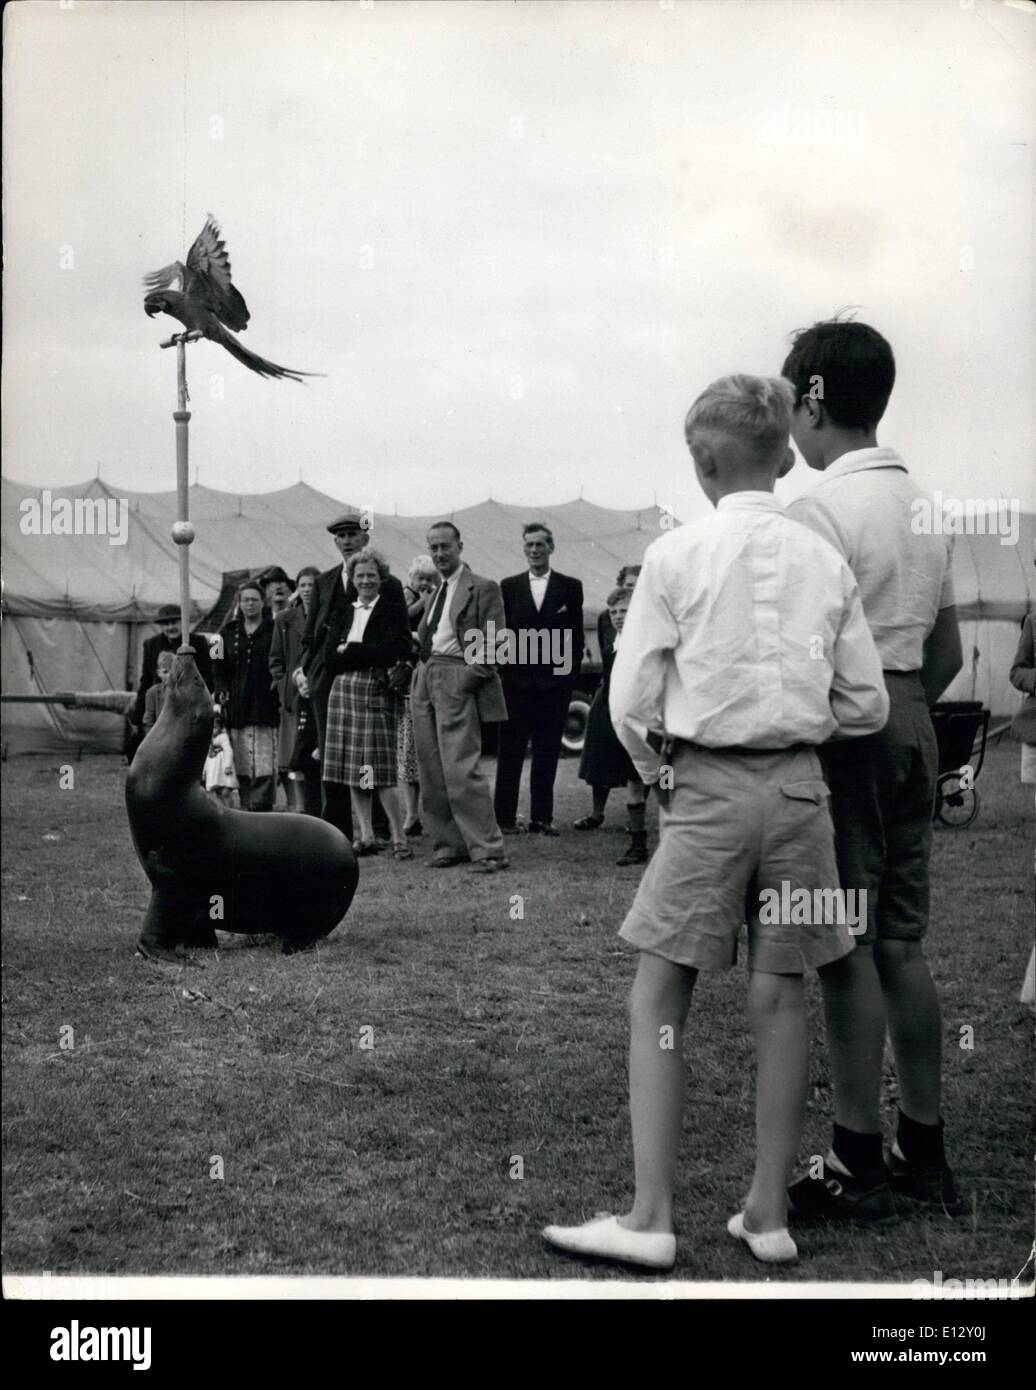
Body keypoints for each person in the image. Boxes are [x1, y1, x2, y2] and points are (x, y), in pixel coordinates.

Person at [542, 374, 888, 1271]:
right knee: (783, 996)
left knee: (658, 995)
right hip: (802, 800)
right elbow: (869, 705)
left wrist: (662, 769)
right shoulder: (825, 561)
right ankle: (768, 1213)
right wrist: (799, 732)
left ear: (701, 460)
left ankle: (651, 1215)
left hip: (706, 795)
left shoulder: (675, 556)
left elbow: (627, 700)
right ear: (782, 455)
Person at [779, 318, 966, 1222]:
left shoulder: (817, 509)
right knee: (902, 941)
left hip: (848, 733)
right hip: (915, 723)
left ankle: (856, 1156)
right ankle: (922, 1147)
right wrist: (904, 708)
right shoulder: (926, 505)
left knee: (841, 944)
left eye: (790, 404)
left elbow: (802, 656)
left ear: (814, 398)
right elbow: (948, 650)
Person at [300, 509, 407, 841]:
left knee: (371, 755)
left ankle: (376, 827)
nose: (347, 541)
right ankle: (336, 829)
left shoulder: (388, 584)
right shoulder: (323, 581)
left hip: (370, 679)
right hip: (326, 677)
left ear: (366, 539)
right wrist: (304, 669)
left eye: (353, 535)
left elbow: (398, 637)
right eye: (341, 536)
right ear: (335, 542)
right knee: (333, 753)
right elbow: (311, 633)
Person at [410, 521, 509, 872]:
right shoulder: (435, 591)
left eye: (445, 547)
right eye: (433, 547)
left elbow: (496, 642)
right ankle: (449, 844)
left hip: (456, 677)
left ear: (460, 546)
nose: (439, 554)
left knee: (460, 767)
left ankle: (488, 849)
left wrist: (467, 679)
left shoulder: (483, 587)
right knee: (431, 768)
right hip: (425, 678)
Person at [493, 523, 584, 837]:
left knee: (546, 752)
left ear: (551, 548)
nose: (534, 551)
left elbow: (573, 639)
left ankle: (541, 819)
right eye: (529, 545)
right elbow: (501, 637)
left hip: (553, 689)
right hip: (516, 686)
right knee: (510, 754)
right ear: (523, 548)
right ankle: (503, 818)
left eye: (540, 545)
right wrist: (508, 674)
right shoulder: (508, 586)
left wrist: (565, 680)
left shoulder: (570, 587)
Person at [322, 549, 412, 856]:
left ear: (381, 577)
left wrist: (352, 648)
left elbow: (390, 652)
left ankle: (400, 839)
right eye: (360, 575)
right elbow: (328, 660)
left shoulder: (392, 609)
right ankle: (367, 836)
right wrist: (359, 651)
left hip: (375, 687)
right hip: (343, 692)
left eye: (371, 575)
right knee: (354, 769)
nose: (365, 581)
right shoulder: (343, 611)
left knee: (381, 770)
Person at [575, 587, 653, 864]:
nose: (619, 617)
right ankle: (638, 845)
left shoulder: (647, 643)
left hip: (648, 723)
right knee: (631, 780)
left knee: (665, 781)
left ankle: (673, 843)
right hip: (621, 719)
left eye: (625, 611)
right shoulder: (613, 645)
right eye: (615, 612)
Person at [213, 580, 280, 811]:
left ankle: (262, 809)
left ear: (264, 602)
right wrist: (221, 689)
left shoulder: (276, 629)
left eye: (254, 599)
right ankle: (242, 809)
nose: (250, 604)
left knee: (264, 764)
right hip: (237, 705)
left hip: (267, 705)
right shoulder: (224, 633)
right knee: (239, 760)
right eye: (245, 600)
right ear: (239, 604)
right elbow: (216, 664)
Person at [269, 565, 321, 814]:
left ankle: (318, 807)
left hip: (319, 693)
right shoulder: (285, 620)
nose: (308, 590)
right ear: (297, 590)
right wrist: (283, 686)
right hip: (293, 697)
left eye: (312, 585)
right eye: (303, 585)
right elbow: (275, 659)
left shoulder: (325, 616)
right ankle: (299, 807)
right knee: (295, 755)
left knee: (318, 753)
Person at [131, 603, 213, 747]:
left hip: (188, 707)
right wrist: (137, 715)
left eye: (174, 622)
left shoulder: (197, 643)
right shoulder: (151, 645)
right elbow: (146, 680)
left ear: (182, 623)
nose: (170, 627)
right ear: (161, 626)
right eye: (165, 624)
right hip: (160, 707)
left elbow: (207, 677)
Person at [399, 555, 438, 836]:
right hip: (406, 680)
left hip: (429, 678)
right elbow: (405, 618)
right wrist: (424, 603)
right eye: (420, 578)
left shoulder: (437, 598)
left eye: (429, 578)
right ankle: (411, 813)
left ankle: (424, 814)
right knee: (408, 754)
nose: (424, 583)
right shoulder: (405, 596)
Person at [203, 708, 239, 806]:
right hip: (214, 771)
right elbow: (207, 757)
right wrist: (204, 771)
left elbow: (228, 751)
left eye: (215, 727)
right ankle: (222, 811)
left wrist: (228, 766)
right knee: (216, 793)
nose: (212, 731)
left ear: (221, 727)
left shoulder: (223, 737)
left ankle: (230, 810)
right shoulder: (209, 740)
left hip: (223, 769)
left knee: (225, 792)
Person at [142, 649, 175, 733]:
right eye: (165, 672)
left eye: (173, 671)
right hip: (159, 739)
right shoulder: (152, 693)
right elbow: (148, 723)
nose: (170, 676)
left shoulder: (185, 692)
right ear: (159, 673)